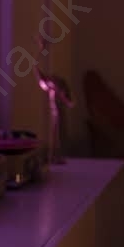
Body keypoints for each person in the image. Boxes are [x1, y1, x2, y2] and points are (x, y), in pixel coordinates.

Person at [32, 34, 75, 163]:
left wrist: (66, 99)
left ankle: (55, 156)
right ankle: (54, 156)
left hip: (57, 110)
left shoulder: (53, 82)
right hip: (56, 110)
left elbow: (67, 99)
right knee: (55, 132)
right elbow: (36, 69)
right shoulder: (49, 82)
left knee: (58, 132)